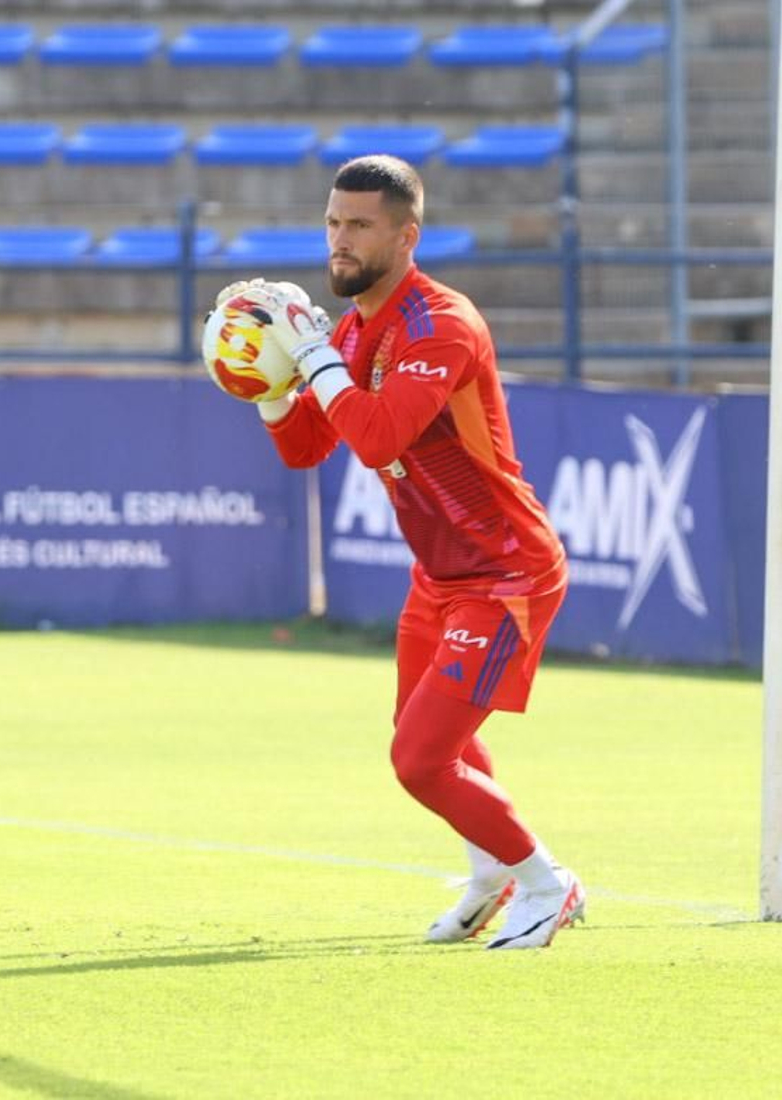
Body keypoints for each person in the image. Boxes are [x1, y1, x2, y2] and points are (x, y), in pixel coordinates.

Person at [222, 154, 582, 950]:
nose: (339, 243)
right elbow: (308, 449)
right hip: (441, 574)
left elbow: (382, 432)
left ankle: (547, 883)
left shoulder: (440, 325)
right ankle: (491, 872)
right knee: (428, 741)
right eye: (332, 223)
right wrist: (270, 387)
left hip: (506, 572)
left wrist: (311, 355)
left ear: (406, 235)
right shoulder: (352, 329)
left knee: (420, 761)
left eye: (359, 226)